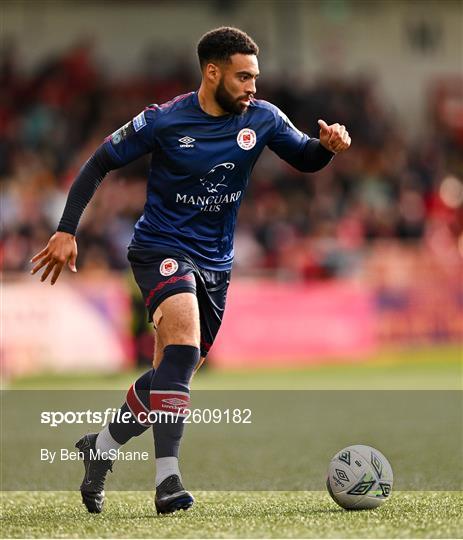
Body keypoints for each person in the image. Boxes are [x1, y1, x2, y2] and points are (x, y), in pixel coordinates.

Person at [30, 26, 351, 515]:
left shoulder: (263, 119)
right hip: (160, 246)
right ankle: (168, 481)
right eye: (243, 77)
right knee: (181, 343)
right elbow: (98, 162)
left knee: (172, 371)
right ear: (212, 72)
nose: (253, 87)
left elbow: (305, 157)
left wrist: (327, 145)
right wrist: (67, 229)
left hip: (216, 264)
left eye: (255, 77)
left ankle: (102, 447)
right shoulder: (164, 120)